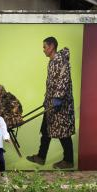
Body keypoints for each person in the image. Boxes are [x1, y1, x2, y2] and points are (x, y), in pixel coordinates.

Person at [27, 37, 76, 170]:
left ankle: (68, 160)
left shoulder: (62, 61)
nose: (43, 50)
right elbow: (51, 83)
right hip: (51, 103)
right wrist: (47, 100)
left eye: (45, 47)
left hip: (62, 105)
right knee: (46, 130)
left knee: (63, 133)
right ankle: (41, 157)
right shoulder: (52, 62)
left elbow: (63, 81)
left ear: (52, 46)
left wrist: (58, 98)